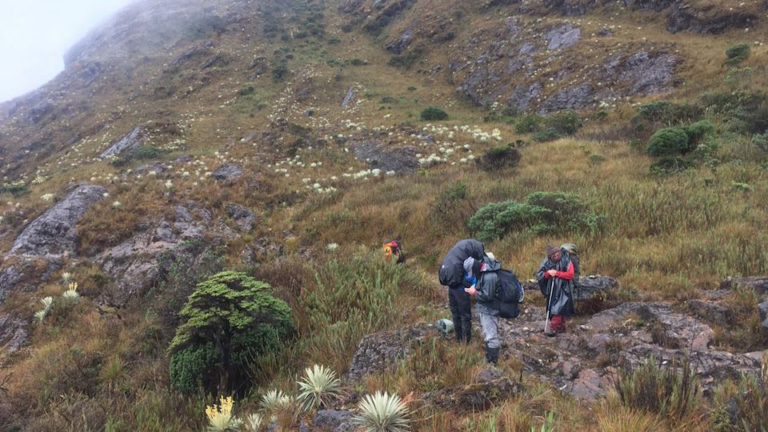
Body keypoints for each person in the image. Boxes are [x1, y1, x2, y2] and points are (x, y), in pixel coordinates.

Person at [438, 239, 486, 344]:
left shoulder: (461, 251)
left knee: (455, 313)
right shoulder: (473, 252)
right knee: (465, 315)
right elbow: (481, 266)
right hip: (460, 288)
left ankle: (458, 338)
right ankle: (466, 342)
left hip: (451, 283)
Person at [463, 255, 503, 365]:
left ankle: (492, 363)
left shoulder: (489, 276)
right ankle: (489, 359)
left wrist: (474, 292)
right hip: (486, 309)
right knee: (488, 334)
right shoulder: (483, 273)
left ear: (475, 268)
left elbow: (488, 296)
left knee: (491, 336)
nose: (472, 275)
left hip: (490, 310)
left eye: (472, 272)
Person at [536, 244, 575, 336]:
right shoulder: (546, 262)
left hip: (565, 288)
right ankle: (560, 328)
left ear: (560, 252)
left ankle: (554, 328)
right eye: (554, 255)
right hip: (553, 289)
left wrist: (557, 273)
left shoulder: (566, 259)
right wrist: (547, 274)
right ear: (550, 256)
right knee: (554, 307)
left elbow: (570, 275)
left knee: (559, 308)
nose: (556, 256)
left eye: (558, 254)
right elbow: (540, 276)